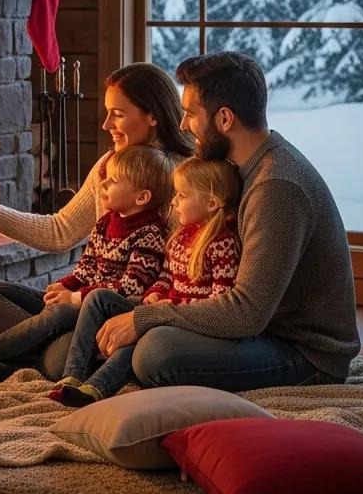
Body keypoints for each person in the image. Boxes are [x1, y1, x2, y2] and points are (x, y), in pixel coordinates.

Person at [0, 63, 194, 385]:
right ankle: (14, 363)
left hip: (119, 313)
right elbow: (61, 231)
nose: (106, 124)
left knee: (59, 360)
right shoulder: (108, 166)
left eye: (117, 114)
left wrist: (82, 302)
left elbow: (174, 278)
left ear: (153, 115)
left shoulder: (184, 180)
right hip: (80, 303)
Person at [94, 51, 361, 391]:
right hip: (263, 332)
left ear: (223, 119)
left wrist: (146, 319)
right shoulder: (240, 169)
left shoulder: (276, 187)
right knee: (129, 322)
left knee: (156, 352)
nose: (183, 125)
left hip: (305, 354)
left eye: (190, 113)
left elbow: (246, 311)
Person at [0, 145, 172, 379]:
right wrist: (62, 287)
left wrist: (74, 299)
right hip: (74, 304)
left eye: (112, 181)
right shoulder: (105, 223)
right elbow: (86, 268)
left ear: (142, 196)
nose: (103, 184)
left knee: (59, 335)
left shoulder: (151, 234)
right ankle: (10, 364)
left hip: (100, 318)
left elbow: (130, 289)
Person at [48, 155, 240, 407]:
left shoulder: (222, 244)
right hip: (162, 310)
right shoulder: (180, 236)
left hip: (185, 323)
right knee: (98, 297)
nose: (174, 202)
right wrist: (157, 292)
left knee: (139, 343)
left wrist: (166, 311)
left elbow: (218, 302)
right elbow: (166, 276)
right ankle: (72, 375)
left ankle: (96, 388)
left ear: (212, 203)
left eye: (182, 196)